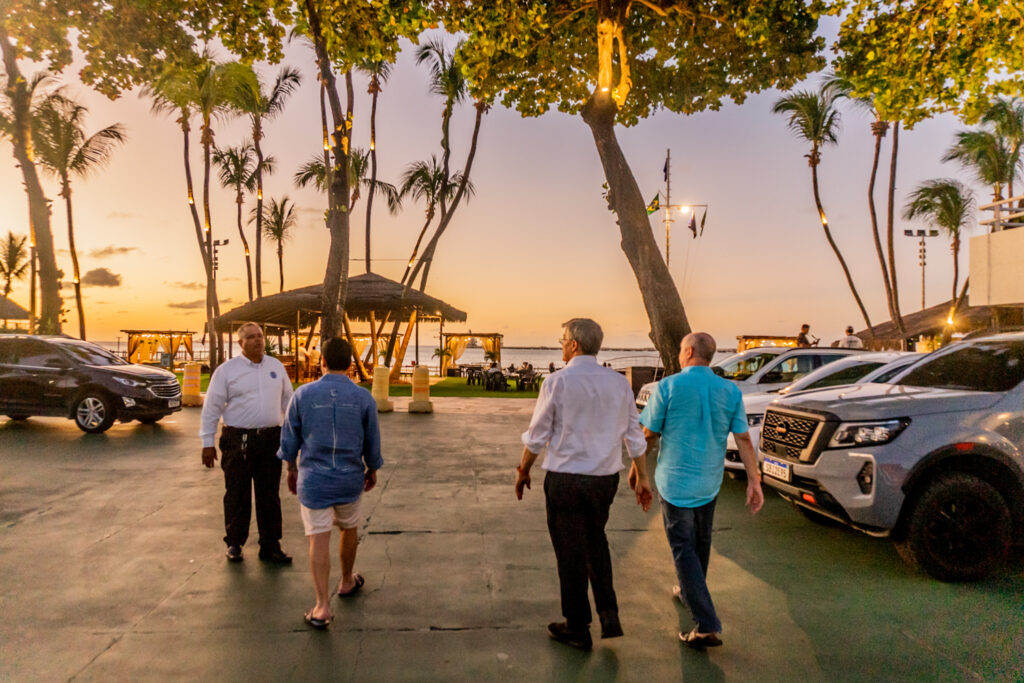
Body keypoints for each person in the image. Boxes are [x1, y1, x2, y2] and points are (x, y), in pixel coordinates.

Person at [515, 318, 651, 651]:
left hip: (566, 478)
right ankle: (608, 613)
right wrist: (642, 476)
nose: (561, 345)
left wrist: (523, 470)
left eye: (562, 340)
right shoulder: (619, 384)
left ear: (574, 344)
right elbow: (634, 435)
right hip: (603, 479)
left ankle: (577, 625)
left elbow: (537, 437)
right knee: (595, 541)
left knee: (570, 551)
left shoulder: (557, 382)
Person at [635, 332, 763, 649]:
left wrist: (638, 473)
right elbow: (744, 439)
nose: (680, 354)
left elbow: (647, 434)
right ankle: (687, 589)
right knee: (700, 542)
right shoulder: (729, 390)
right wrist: (754, 479)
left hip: (675, 483)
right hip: (709, 481)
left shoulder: (667, 387)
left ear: (689, 352)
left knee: (683, 547)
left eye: (681, 350)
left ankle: (706, 623)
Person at [278, 338, 382, 630]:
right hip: (349, 478)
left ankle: (322, 606)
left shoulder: (303, 395)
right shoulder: (363, 398)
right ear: (350, 363)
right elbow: (373, 442)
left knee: (318, 537)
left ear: (321, 360)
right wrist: (372, 469)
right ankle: (347, 580)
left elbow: (289, 440)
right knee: (349, 527)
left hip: (314, 480)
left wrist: (290, 468)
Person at [200, 322, 294, 564]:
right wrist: (207, 442)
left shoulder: (276, 367)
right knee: (237, 493)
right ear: (240, 344)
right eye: (251, 337)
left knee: (269, 495)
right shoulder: (227, 371)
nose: (258, 340)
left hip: (271, 438)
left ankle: (270, 545)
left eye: (260, 336)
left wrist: (296, 434)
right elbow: (212, 408)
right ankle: (234, 543)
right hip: (237, 441)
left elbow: (289, 402)